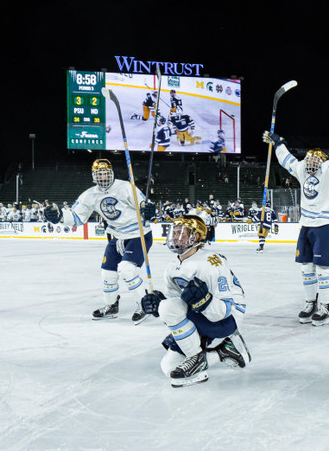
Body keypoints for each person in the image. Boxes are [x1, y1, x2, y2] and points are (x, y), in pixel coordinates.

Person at [262, 112, 329, 326]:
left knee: (323, 269)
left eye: (316, 157)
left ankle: (326, 307)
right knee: (306, 267)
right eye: (309, 157)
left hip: (324, 225)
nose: (310, 160)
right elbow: (287, 161)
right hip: (306, 225)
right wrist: (279, 143)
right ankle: (311, 302)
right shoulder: (303, 169)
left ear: (323, 160)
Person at [139, 214, 251, 387]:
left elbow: (225, 310)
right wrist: (158, 305)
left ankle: (196, 359)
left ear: (196, 236)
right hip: (201, 316)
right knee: (168, 367)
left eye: (181, 233)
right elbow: (175, 303)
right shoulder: (172, 268)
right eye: (174, 232)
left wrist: (204, 301)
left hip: (227, 320)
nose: (176, 236)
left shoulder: (211, 262)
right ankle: (224, 351)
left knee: (168, 308)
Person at [44, 158, 155, 322]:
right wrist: (60, 216)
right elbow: (76, 217)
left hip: (138, 234)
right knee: (107, 274)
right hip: (116, 236)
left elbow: (144, 205)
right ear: (94, 176)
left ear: (111, 174)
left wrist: (148, 209)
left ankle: (143, 305)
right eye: (99, 174)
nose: (103, 177)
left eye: (105, 173)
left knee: (127, 270)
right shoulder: (90, 195)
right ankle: (111, 306)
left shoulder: (126, 187)